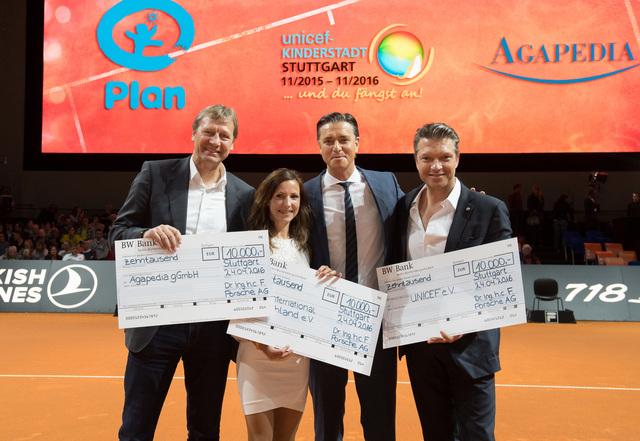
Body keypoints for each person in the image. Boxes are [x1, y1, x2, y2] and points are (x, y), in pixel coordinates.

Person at [109, 104, 255, 441]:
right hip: (157, 323)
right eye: (209, 132)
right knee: (136, 427)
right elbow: (118, 233)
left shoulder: (244, 195)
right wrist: (145, 234)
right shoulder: (155, 173)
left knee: (205, 428)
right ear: (194, 134)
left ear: (233, 144)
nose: (215, 141)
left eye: (224, 136)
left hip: (213, 327)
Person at [394, 123, 512, 441]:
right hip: (421, 348)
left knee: (477, 436)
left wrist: (465, 322)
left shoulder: (488, 209)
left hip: (470, 349)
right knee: (435, 434)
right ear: (416, 160)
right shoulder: (403, 208)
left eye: (444, 157)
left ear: (457, 158)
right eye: (426, 158)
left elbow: (499, 283)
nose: (436, 166)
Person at [304, 112, 403, 441]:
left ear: (357, 143)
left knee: (379, 413)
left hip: (374, 316)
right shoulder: (305, 193)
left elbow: (414, 219)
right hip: (325, 315)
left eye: (343, 139)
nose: (337, 147)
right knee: (327, 413)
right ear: (319, 146)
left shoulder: (386, 184)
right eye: (328, 141)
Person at [236, 168, 338, 441]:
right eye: (279, 196)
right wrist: (262, 345)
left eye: (294, 196)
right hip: (257, 356)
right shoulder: (249, 245)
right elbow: (238, 306)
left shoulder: (305, 247)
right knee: (259, 438)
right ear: (266, 200)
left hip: (296, 359)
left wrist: (326, 278)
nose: (287, 203)